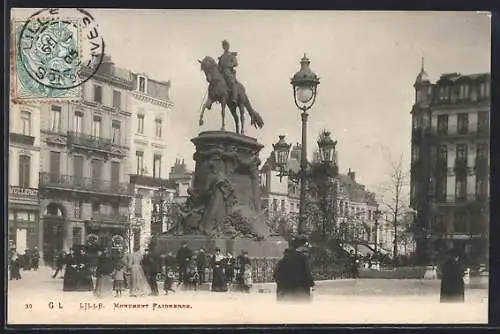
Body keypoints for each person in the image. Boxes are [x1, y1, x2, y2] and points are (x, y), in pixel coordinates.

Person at [273, 236, 315, 302]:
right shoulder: (303, 259)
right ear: (302, 246)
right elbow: (307, 275)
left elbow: (276, 275)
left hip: (284, 295)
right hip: (300, 295)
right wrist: (310, 285)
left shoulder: (283, 260)